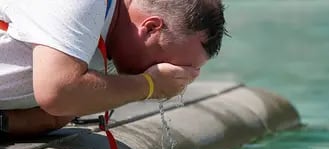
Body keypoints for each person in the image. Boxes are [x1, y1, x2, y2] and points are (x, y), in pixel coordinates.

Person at [0, 0, 226, 136]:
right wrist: (149, 85)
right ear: (150, 28)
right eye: (172, 65)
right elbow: (58, 92)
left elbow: (56, 114)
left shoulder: (113, 39)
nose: (172, 75)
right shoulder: (82, 5)